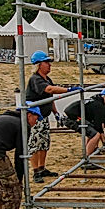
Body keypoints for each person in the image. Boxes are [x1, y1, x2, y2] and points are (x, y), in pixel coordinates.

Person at [25, 50, 77, 183]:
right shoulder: (36, 79)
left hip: (44, 116)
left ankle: (42, 167)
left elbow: (50, 97)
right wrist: (69, 90)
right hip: (35, 117)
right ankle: (36, 170)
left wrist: (55, 113)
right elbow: (49, 90)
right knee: (35, 144)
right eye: (46, 62)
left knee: (44, 143)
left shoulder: (46, 79)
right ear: (39, 65)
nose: (49, 65)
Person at [64, 88, 105, 164]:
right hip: (72, 118)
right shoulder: (98, 106)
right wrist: (104, 141)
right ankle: (87, 159)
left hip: (74, 115)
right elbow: (99, 126)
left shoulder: (98, 101)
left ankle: (89, 151)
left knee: (93, 133)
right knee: (95, 134)